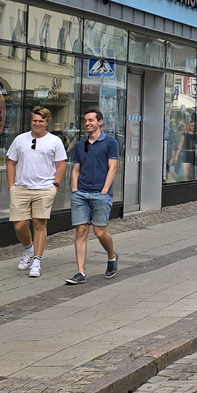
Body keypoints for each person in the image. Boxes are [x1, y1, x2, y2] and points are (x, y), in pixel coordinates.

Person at [7, 107, 67, 278]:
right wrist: (11, 185)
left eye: (41, 121)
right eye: (35, 120)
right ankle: (29, 249)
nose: (37, 123)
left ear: (47, 122)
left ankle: (37, 261)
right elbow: (11, 162)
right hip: (21, 188)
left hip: (44, 188)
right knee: (19, 225)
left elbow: (61, 165)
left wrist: (55, 185)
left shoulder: (54, 141)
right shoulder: (20, 139)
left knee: (39, 224)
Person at [66, 110, 120, 285]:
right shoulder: (80, 145)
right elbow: (76, 168)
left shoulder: (110, 142)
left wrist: (105, 190)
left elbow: (113, 168)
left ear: (100, 122)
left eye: (91, 120)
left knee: (100, 232)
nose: (87, 123)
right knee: (81, 231)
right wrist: (74, 188)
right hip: (81, 193)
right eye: (85, 120)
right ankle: (80, 272)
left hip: (100, 193)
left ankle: (112, 256)